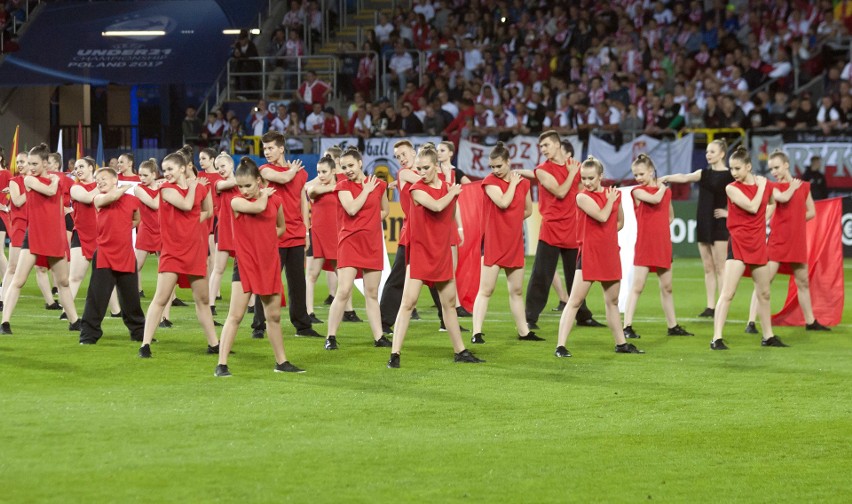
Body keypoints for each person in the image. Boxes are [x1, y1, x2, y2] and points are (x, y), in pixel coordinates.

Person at [387, 146, 484, 368]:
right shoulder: (417, 189)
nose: (421, 172)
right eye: (419, 168)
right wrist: (453, 192)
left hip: (440, 251)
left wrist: (454, 200)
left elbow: (448, 216)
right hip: (421, 251)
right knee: (408, 302)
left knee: (449, 304)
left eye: (425, 168)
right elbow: (438, 206)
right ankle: (395, 354)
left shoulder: (447, 186)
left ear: (436, 166)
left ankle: (460, 351)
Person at [214, 158, 304, 377]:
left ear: (258, 181)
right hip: (245, 264)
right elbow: (259, 206)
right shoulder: (236, 201)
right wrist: (263, 193)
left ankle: (281, 362)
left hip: (268, 262)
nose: (243, 190)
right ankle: (222, 364)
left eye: (248, 185)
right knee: (235, 315)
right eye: (241, 186)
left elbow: (281, 227)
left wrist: (266, 239)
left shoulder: (276, 200)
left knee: (273, 316)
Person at [554, 157, 644, 357]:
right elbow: (603, 216)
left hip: (610, 253)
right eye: (584, 178)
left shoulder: (613, 195)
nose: (587, 182)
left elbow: (619, 222)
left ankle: (621, 343)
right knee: (575, 301)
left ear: (601, 176)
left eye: (591, 178)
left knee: (612, 302)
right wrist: (611, 201)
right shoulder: (582, 197)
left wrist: (608, 232)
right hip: (590, 253)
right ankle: (560, 346)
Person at [137, 151, 219, 358]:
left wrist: (205, 189)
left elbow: (208, 212)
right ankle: (145, 344)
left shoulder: (197, 188)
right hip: (172, 252)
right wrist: (194, 186)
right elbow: (186, 204)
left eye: (170, 169)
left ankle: (214, 344)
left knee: (202, 299)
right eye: (164, 170)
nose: (166, 174)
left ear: (183, 168)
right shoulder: (165, 188)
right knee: (161, 298)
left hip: (194, 251)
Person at [710, 147, 787, 350]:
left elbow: (771, 203)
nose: (733, 172)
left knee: (765, 293)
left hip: (758, 243)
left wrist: (764, 218)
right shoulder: (731, 188)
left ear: (748, 166)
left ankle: (768, 336)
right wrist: (762, 187)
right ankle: (716, 338)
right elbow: (753, 206)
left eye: (737, 168)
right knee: (728, 293)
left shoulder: (765, 186)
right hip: (739, 243)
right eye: (731, 168)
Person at [744, 150, 829, 333]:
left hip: (796, 240)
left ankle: (810, 322)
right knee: (764, 282)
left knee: (803, 282)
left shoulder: (804, 186)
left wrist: (797, 220)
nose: (773, 171)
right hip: (778, 240)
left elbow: (812, 212)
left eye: (776, 167)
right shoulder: (772, 186)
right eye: (770, 169)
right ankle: (751, 322)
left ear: (786, 165)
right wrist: (792, 188)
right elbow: (783, 198)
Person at [0, 143, 81, 334]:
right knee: (18, 279)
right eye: (29, 163)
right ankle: (5, 323)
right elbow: (51, 191)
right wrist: (54, 180)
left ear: (46, 163)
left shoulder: (60, 179)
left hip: (55, 236)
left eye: (34, 163)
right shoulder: (29, 180)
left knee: (63, 282)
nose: (31, 167)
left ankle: (75, 321)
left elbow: (66, 199)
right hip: (34, 235)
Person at [524, 132, 600, 330]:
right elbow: (560, 191)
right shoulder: (542, 170)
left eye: (546, 145)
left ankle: (583, 315)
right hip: (552, 228)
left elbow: (585, 189)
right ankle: (529, 318)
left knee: (577, 276)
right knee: (541, 275)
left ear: (558, 145)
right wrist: (574, 173)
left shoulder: (575, 166)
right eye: (541, 147)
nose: (543, 149)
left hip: (573, 228)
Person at [251, 131, 320, 338]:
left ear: (281, 148)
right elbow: (283, 177)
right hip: (274, 233)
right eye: (265, 149)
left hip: (297, 233)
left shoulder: (300, 174)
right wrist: (292, 170)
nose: (267, 152)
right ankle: (258, 326)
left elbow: (302, 202)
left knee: (297, 282)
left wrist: (307, 231)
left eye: (271, 148)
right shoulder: (264, 170)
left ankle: (303, 325)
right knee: (267, 280)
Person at [470, 142, 539, 344]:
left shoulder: (524, 184)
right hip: (493, 241)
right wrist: (514, 185)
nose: (495, 170)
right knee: (486, 290)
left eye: (499, 166)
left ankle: (524, 332)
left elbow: (528, 211)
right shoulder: (490, 181)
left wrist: (511, 221)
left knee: (516, 291)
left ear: (508, 162)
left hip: (514, 241)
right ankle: (476, 333)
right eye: (492, 166)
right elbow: (503, 202)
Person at [324, 148, 390, 350]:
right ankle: (331, 337)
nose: (348, 170)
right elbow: (352, 208)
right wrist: (366, 190)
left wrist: (369, 223)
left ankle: (379, 337)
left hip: (372, 243)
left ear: (360, 163)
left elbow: (385, 210)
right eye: (344, 167)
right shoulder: (342, 185)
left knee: (372, 293)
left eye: (351, 165)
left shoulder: (379, 184)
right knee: (343, 291)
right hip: (350, 242)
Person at [659, 139, 733, 317]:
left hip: (719, 224)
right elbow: (684, 177)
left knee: (720, 266)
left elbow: (741, 196)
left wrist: (728, 213)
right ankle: (710, 307)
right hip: (704, 221)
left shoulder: (730, 176)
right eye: (707, 151)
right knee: (708, 267)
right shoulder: (704, 173)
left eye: (712, 152)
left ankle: (722, 304)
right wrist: (666, 178)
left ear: (722, 154)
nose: (708, 154)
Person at [622, 154, 692, 340]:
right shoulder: (637, 191)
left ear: (651, 171)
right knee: (638, 286)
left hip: (661, 244)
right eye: (635, 175)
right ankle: (626, 326)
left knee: (667, 287)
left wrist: (660, 230)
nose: (638, 178)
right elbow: (654, 200)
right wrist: (662, 185)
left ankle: (672, 325)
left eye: (641, 174)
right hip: (645, 244)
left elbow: (670, 216)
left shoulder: (665, 192)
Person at [79, 168, 146, 344]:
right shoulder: (98, 199)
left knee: (132, 299)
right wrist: (125, 186)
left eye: (103, 178)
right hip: (105, 254)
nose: (99, 181)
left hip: (126, 254)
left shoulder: (132, 200)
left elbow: (137, 219)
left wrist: (124, 226)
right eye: (97, 179)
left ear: (115, 179)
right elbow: (112, 197)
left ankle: (139, 334)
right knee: (97, 298)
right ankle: (88, 335)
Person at [2, 151, 55, 313]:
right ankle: (2, 300)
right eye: (18, 162)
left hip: (36, 226)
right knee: (12, 267)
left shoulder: (39, 181)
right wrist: (31, 188)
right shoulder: (15, 181)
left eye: (23, 162)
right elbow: (17, 202)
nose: (20, 165)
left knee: (41, 267)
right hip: (20, 227)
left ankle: (51, 302)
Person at [68, 157, 121, 318]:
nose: (78, 170)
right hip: (82, 235)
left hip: (102, 235)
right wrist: (104, 183)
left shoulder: (101, 188)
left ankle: (116, 311)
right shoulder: (75, 187)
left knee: (107, 276)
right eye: (76, 168)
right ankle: (67, 312)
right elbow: (88, 198)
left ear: (91, 168)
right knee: (76, 277)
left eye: (82, 166)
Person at [133, 158, 174, 327]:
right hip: (146, 230)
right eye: (140, 175)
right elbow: (155, 204)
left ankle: (165, 317)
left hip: (162, 230)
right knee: (134, 268)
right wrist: (161, 187)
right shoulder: (138, 188)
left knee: (166, 272)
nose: (141, 178)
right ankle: (128, 302)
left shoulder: (161, 186)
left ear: (154, 175)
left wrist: (161, 186)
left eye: (145, 175)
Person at [208, 153, 238, 327]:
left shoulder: (241, 184)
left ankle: (250, 305)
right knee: (219, 268)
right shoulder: (218, 183)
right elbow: (232, 183)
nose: (220, 170)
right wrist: (248, 178)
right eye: (218, 167)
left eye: (223, 166)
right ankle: (211, 305)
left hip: (241, 231)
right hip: (225, 230)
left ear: (231, 165)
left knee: (245, 268)